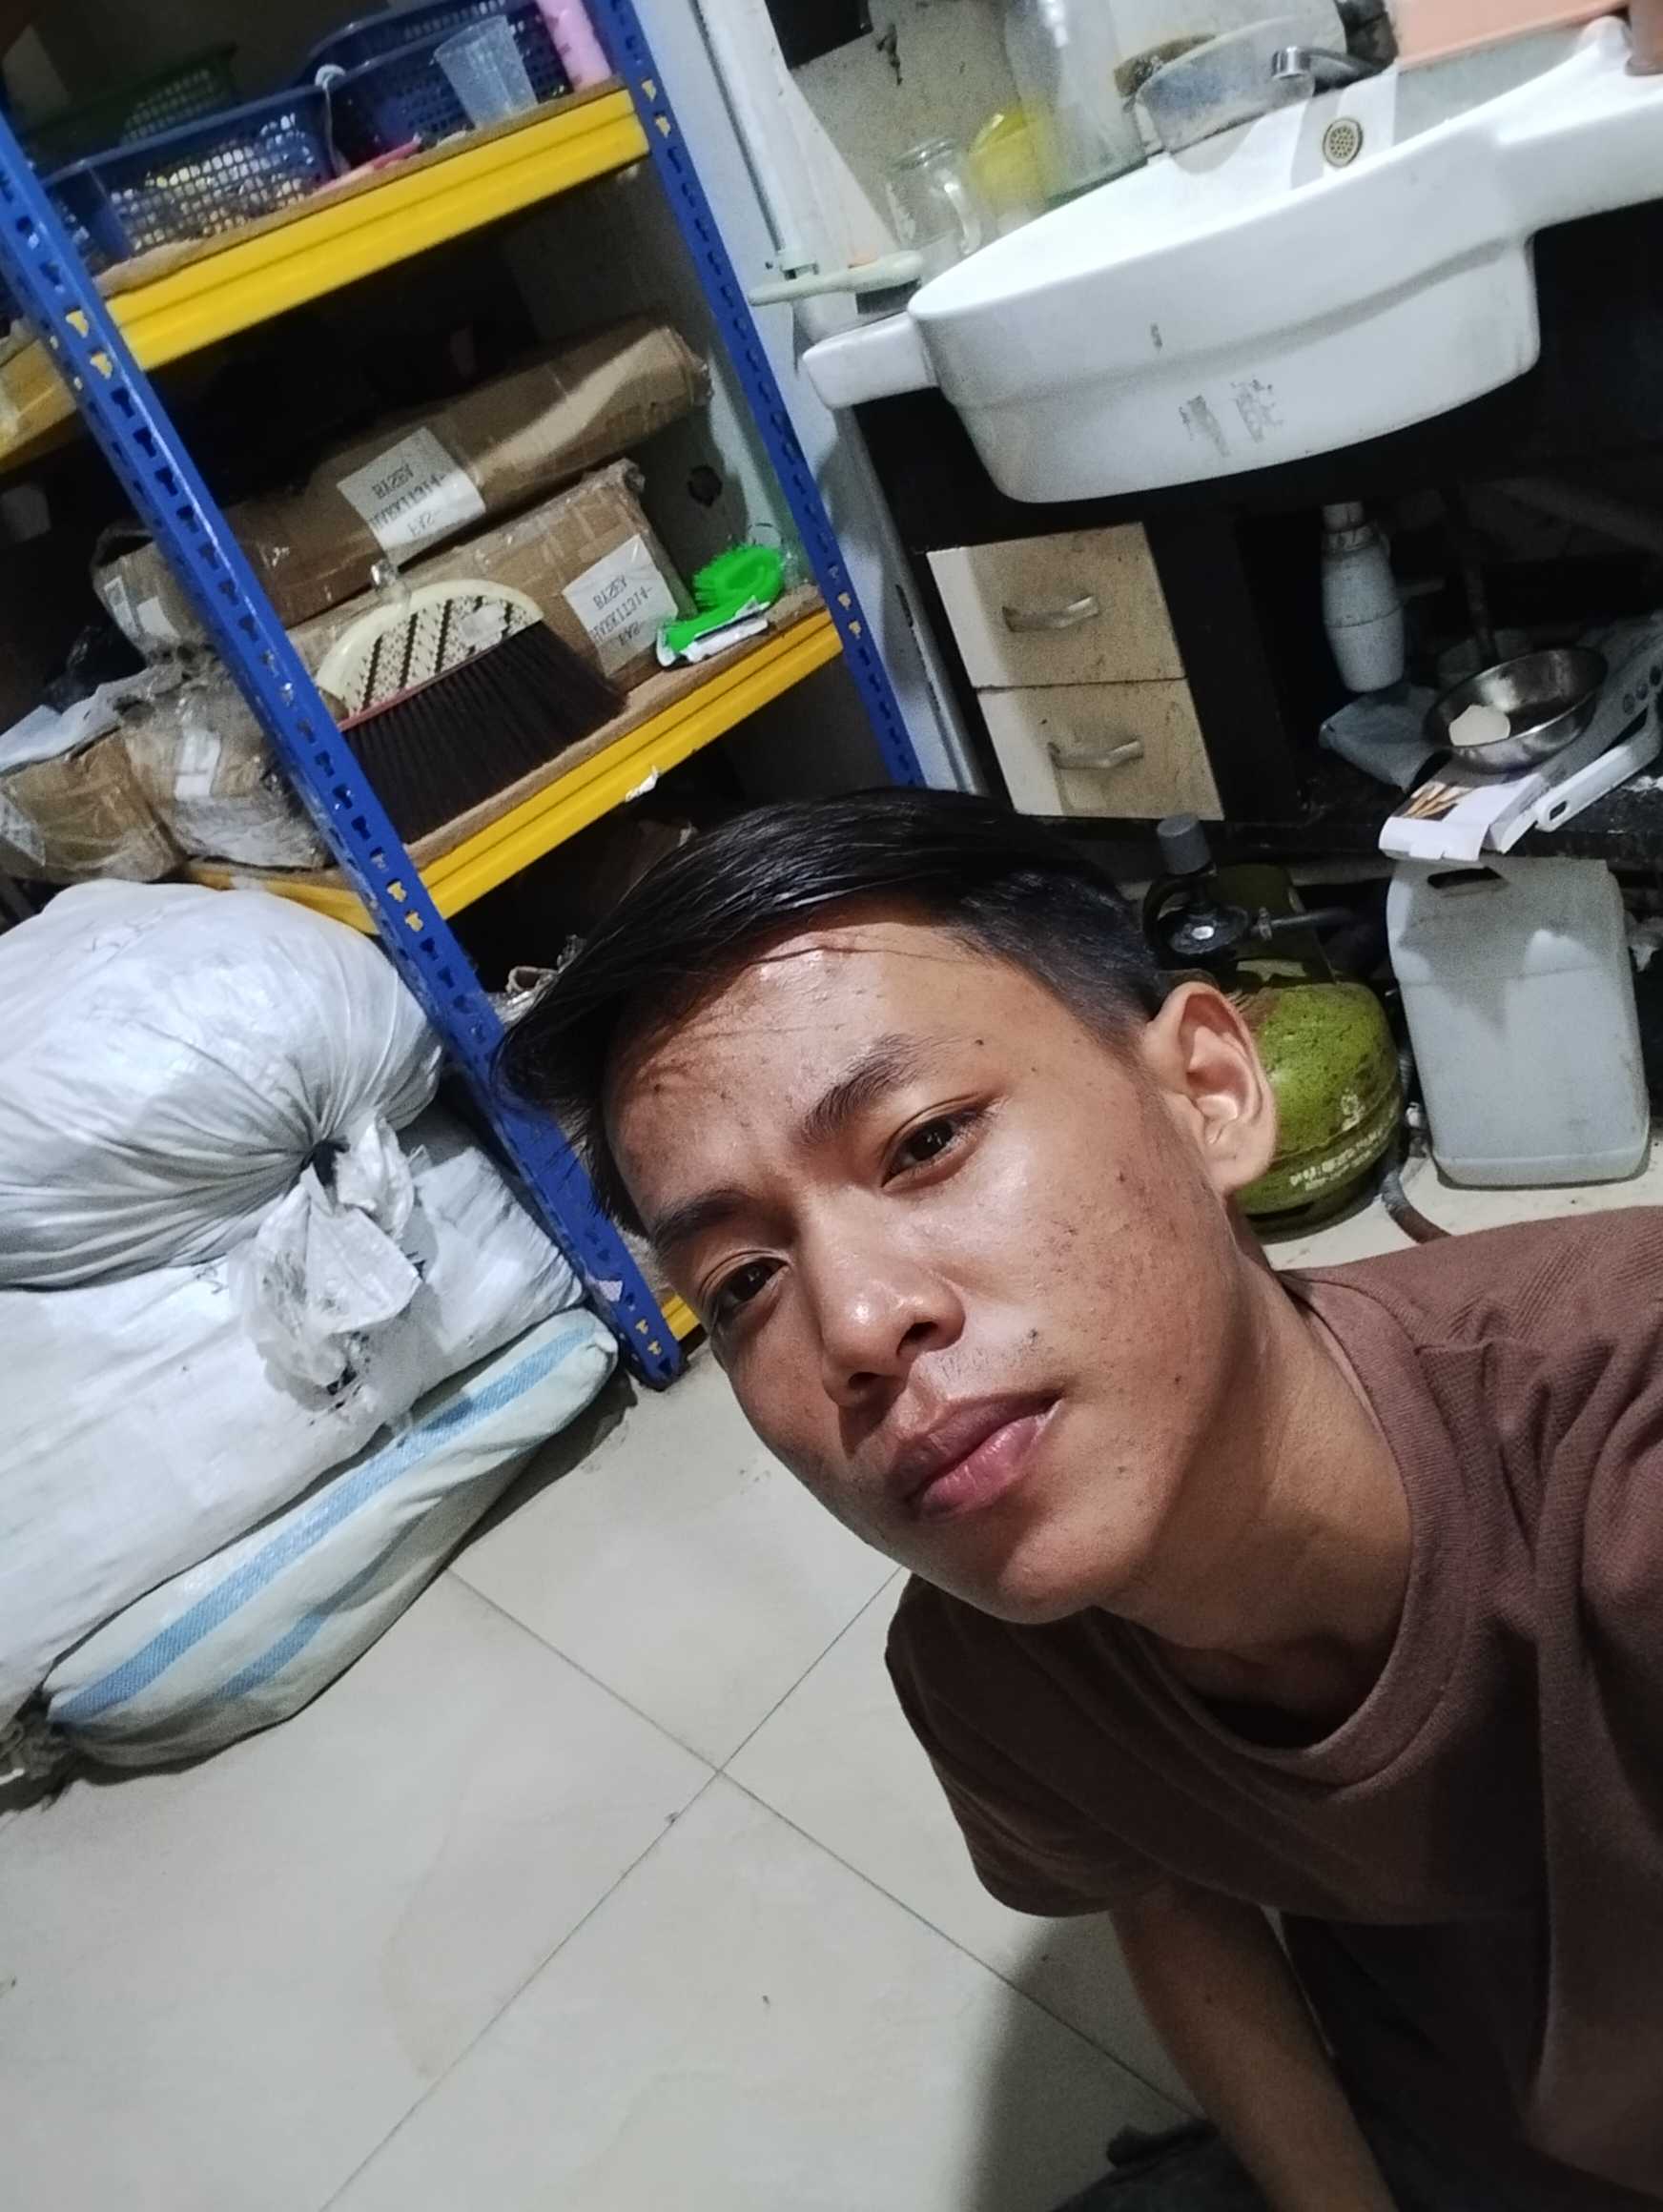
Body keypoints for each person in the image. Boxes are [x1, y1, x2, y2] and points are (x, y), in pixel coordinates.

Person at [503, 789, 1663, 2211]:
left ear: (1210, 1095)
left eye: (925, 1142)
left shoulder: (1620, 1456)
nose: (856, 1325)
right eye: (745, 1282)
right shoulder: (985, 1676)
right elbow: (1169, 1897)